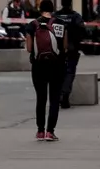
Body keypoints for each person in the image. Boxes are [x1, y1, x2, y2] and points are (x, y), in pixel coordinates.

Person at [26, 0, 69, 140]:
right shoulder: (61, 24)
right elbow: (65, 46)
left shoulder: (32, 25)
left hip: (39, 67)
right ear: (52, 9)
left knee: (41, 98)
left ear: (40, 9)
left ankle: (40, 131)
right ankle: (50, 131)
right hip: (57, 66)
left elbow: (29, 48)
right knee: (55, 99)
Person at [54, 0, 85, 108]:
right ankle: (65, 95)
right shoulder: (75, 16)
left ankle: (59, 95)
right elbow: (82, 30)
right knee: (70, 72)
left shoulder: (55, 16)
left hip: (57, 49)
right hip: (72, 49)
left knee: (58, 73)